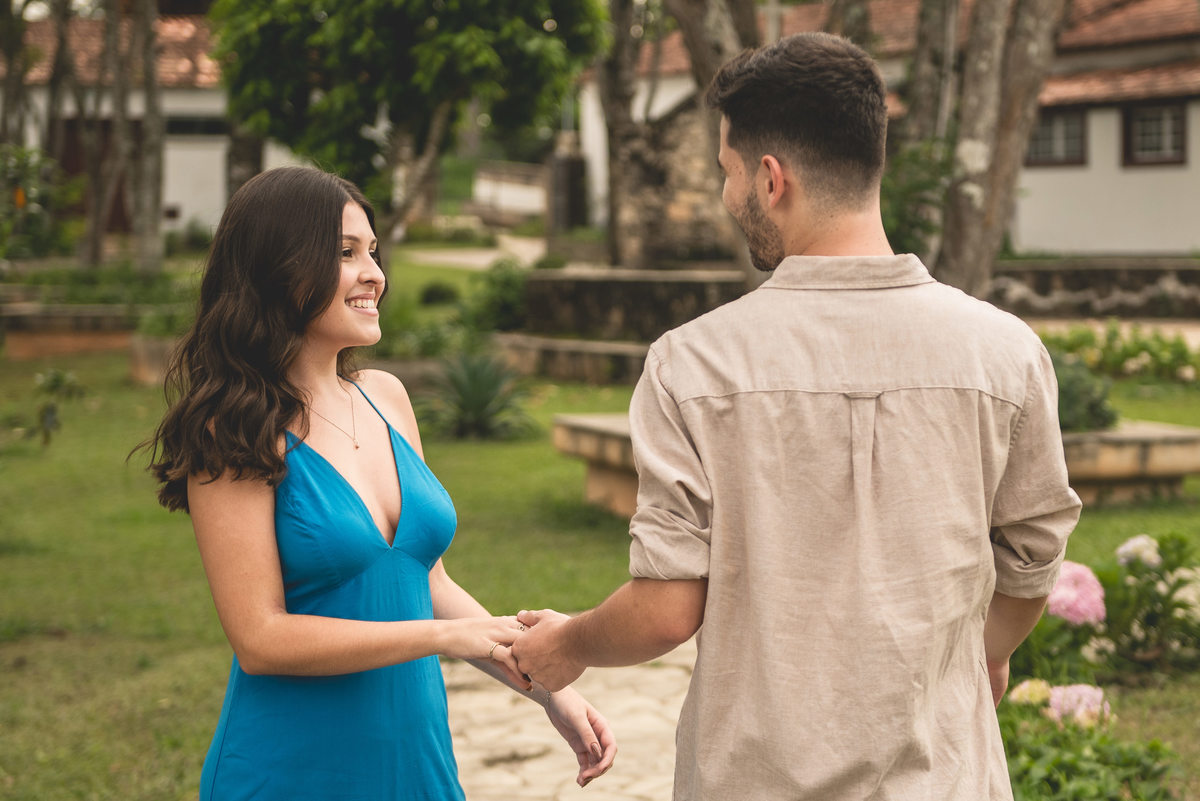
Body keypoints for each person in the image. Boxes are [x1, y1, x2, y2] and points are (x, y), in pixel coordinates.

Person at [512, 32, 1081, 800]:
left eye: (727, 172)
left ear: (770, 178)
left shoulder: (695, 363)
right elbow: (1032, 556)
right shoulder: (1004, 353)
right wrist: (986, 654)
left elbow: (665, 609)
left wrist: (569, 643)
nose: (725, 194)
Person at [141, 166, 615, 800]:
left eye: (373, 251)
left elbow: (430, 583)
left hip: (415, 758)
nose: (375, 274)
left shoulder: (387, 398)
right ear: (280, 268)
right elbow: (260, 638)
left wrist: (549, 690)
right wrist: (442, 638)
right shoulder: (234, 428)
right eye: (344, 253)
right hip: (291, 769)